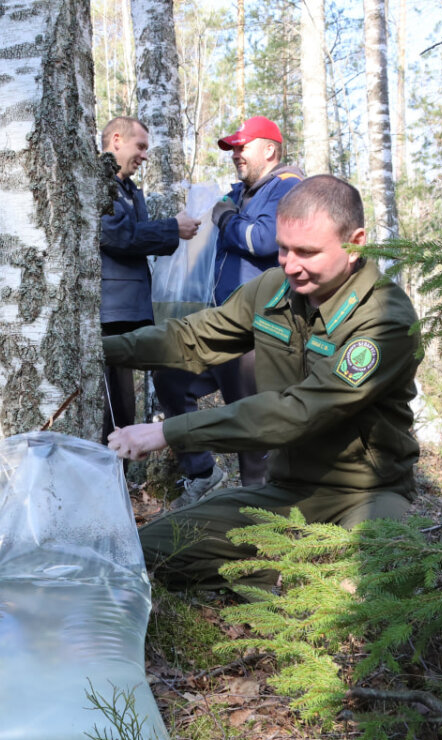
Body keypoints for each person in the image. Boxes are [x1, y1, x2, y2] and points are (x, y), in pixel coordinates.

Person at [104, 175, 420, 592]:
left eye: (307, 252)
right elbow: (191, 337)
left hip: (366, 495)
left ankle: (310, 575)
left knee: (371, 588)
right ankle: (279, 573)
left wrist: (167, 431)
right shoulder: (274, 289)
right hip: (287, 493)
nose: (289, 264)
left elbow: (299, 412)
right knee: (145, 552)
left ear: (355, 242)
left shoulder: (384, 319)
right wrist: (101, 350)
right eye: (284, 248)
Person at [154, 116, 305, 509]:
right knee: (170, 377)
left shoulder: (288, 187)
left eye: (243, 146)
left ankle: (262, 522)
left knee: (251, 426)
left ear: (270, 149)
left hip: (262, 328)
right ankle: (203, 471)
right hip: (223, 323)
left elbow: (264, 240)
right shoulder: (240, 193)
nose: (236, 154)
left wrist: (224, 218)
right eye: (232, 148)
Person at [99, 116, 200, 444]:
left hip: (130, 313)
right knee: (112, 412)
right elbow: (117, 236)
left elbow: (135, 238)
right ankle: (110, 484)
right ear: (116, 140)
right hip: (109, 316)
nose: (144, 155)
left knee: (125, 408)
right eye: (139, 146)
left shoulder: (129, 190)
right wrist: (172, 228)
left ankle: (120, 481)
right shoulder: (100, 183)